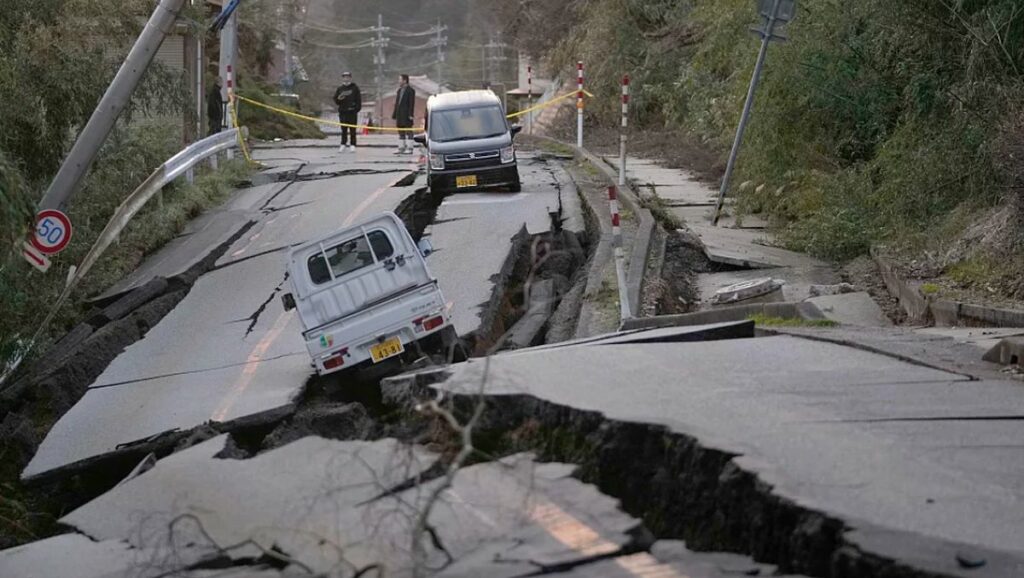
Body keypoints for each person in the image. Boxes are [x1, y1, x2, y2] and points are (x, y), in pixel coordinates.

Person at [333, 72, 362, 153]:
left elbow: (359, 100)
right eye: (344, 77)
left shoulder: (355, 88)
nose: (346, 79)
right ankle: (343, 144)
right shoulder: (340, 89)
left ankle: (353, 145)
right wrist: (339, 99)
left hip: (352, 112)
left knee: (353, 129)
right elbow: (336, 100)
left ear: (350, 78)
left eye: (348, 77)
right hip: (343, 112)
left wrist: (356, 109)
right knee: (344, 130)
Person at [392, 74, 416, 155]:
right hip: (400, 114)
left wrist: (411, 115)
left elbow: (411, 104)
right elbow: (397, 103)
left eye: (400, 79)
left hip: (407, 114)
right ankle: (401, 148)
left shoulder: (410, 91)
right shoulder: (399, 91)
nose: (399, 81)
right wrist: (394, 114)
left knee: (409, 131)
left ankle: (410, 148)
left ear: (405, 80)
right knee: (400, 131)